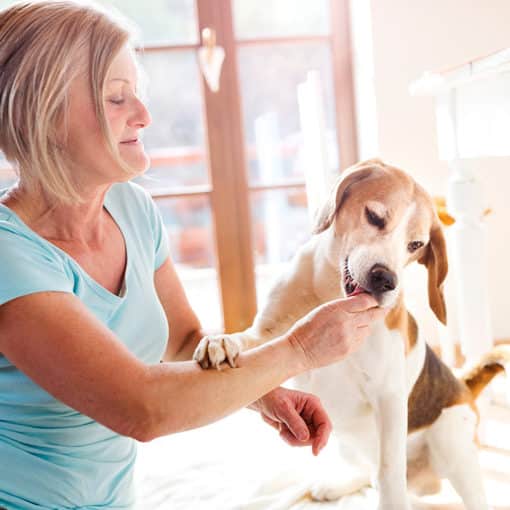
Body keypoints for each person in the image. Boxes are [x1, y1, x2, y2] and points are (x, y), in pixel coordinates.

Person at [0, 1, 386, 508]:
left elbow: (184, 339)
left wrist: (262, 392)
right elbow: (142, 408)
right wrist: (298, 350)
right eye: (117, 98)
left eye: (136, 93)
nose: (144, 114)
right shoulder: (10, 253)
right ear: (43, 114)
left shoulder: (131, 209)